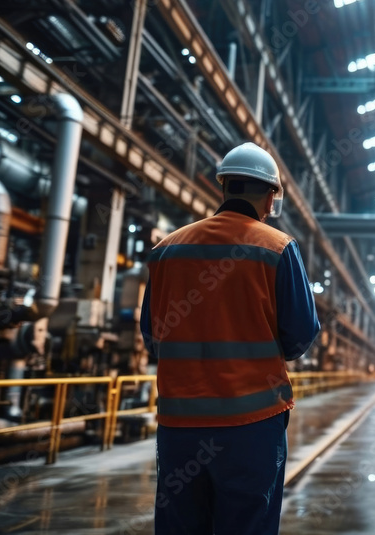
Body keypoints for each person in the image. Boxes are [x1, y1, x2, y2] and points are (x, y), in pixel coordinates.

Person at [140, 142, 321, 535]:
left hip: (180, 423)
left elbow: (153, 337)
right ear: (270, 197)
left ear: (223, 186)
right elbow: (300, 336)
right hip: (251, 423)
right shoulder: (278, 248)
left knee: (179, 525)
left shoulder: (167, 250)